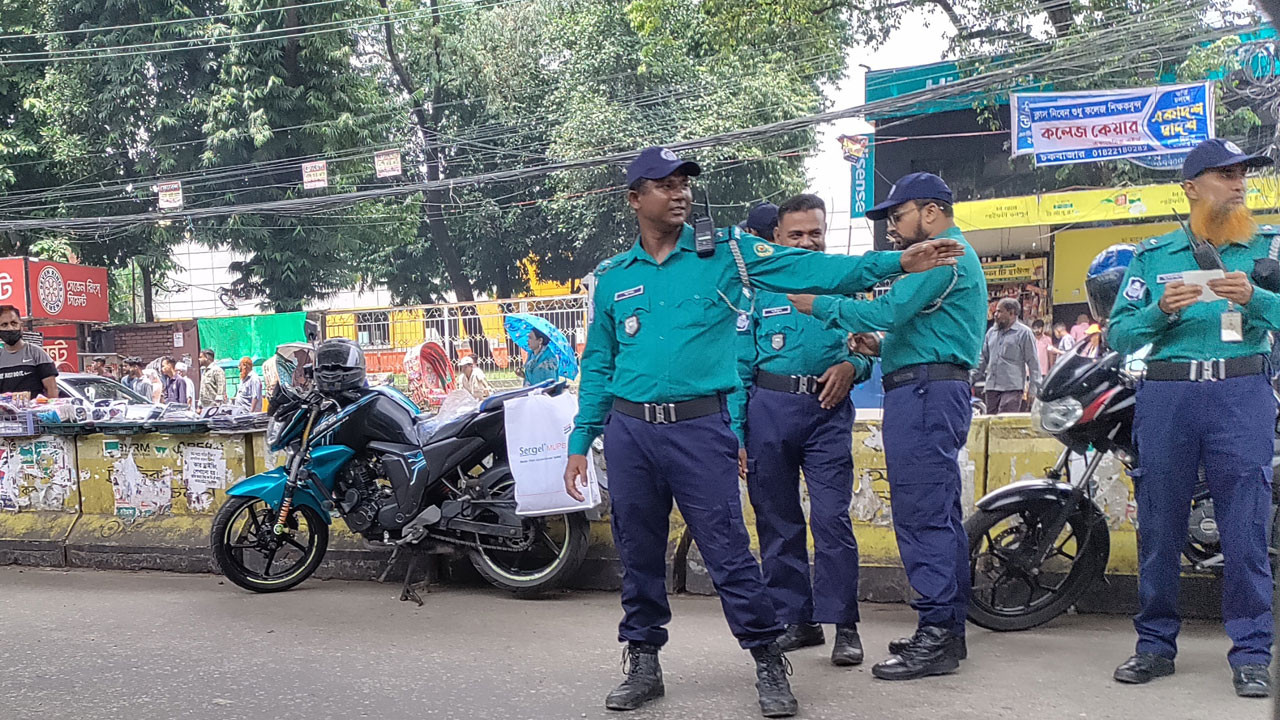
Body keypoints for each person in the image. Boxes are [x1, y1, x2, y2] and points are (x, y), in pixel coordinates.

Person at [562, 147, 963, 716]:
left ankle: (769, 661)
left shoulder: (726, 254)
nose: (679, 193)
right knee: (638, 550)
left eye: (684, 184)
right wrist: (582, 441)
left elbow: (813, 270)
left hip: (699, 429)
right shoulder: (612, 279)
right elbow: (598, 365)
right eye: (664, 184)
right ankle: (643, 659)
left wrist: (894, 265)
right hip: (630, 432)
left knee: (730, 555)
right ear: (635, 198)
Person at [789, 172, 986, 681]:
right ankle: (947, 631)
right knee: (937, 513)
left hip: (923, 394)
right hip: (929, 386)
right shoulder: (950, 256)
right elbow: (916, 328)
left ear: (930, 211)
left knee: (922, 516)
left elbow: (889, 309)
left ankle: (937, 635)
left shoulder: (942, 253)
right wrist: (878, 346)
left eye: (897, 217)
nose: (893, 230)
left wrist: (822, 304)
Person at [1107, 138, 1278, 698]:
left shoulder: (1267, 249)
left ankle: (1252, 653)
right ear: (1190, 186)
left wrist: (1256, 298)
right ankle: (1154, 646)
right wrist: (1159, 312)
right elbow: (1119, 333)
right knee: (1158, 524)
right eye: (1224, 173)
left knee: (1247, 526)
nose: (1238, 182)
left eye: (1242, 173)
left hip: (1241, 392)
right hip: (1169, 396)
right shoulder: (1153, 257)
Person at [734, 193, 871, 667]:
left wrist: (853, 365)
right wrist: (737, 433)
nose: (807, 242)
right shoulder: (756, 291)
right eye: (796, 235)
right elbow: (738, 367)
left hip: (826, 411)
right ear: (777, 239)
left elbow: (869, 345)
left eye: (815, 233)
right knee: (776, 521)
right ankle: (797, 620)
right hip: (767, 411)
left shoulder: (843, 285)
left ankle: (844, 624)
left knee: (831, 518)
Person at [975, 297, 1042, 414]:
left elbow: (1033, 364)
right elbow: (983, 359)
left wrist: (1033, 389)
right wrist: (970, 378)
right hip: (991, 388)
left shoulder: (1024, 333)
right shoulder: (991, 333)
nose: (995, 314)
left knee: (1003, 423)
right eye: (995, 311)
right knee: (991, 424)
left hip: (1012, 389)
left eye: (999, 311)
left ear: (1012, 313)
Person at [0, 305, 57, 399]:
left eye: (14, 323)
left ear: (21, 326)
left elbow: (52, 389)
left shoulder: (37, 353)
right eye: (4, 325)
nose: (10, 328)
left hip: (34, 413)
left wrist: (49, 411)